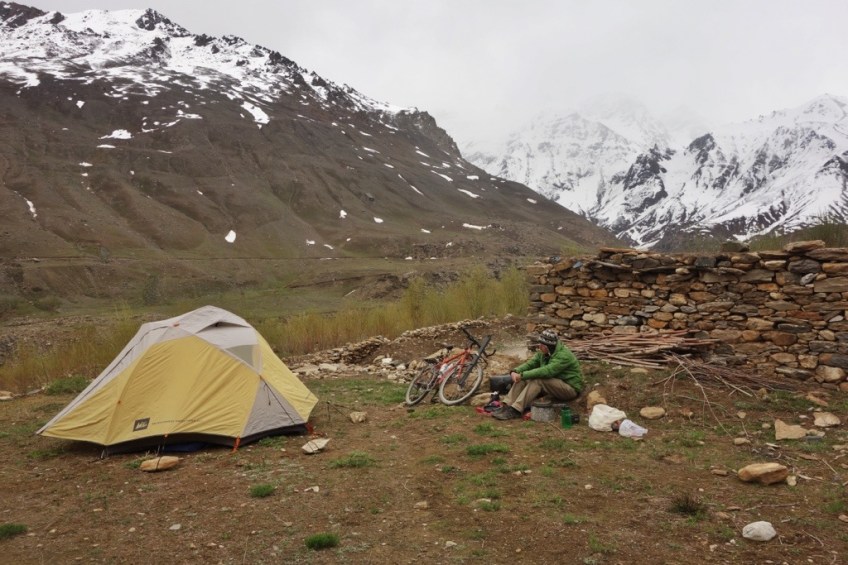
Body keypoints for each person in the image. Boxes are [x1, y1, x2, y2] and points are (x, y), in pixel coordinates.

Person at [492, 329, 583, 420]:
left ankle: (516, 410)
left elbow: (547, 371)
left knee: (538, 380)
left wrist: (522, 375)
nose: (539, 346)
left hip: (569, 389)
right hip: (554, 385)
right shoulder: (544, 352)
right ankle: (507, 405)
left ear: (548, 346)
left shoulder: (563, 355)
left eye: (541, 345)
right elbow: (530, 364)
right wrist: (515, 371)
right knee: (523, 379)